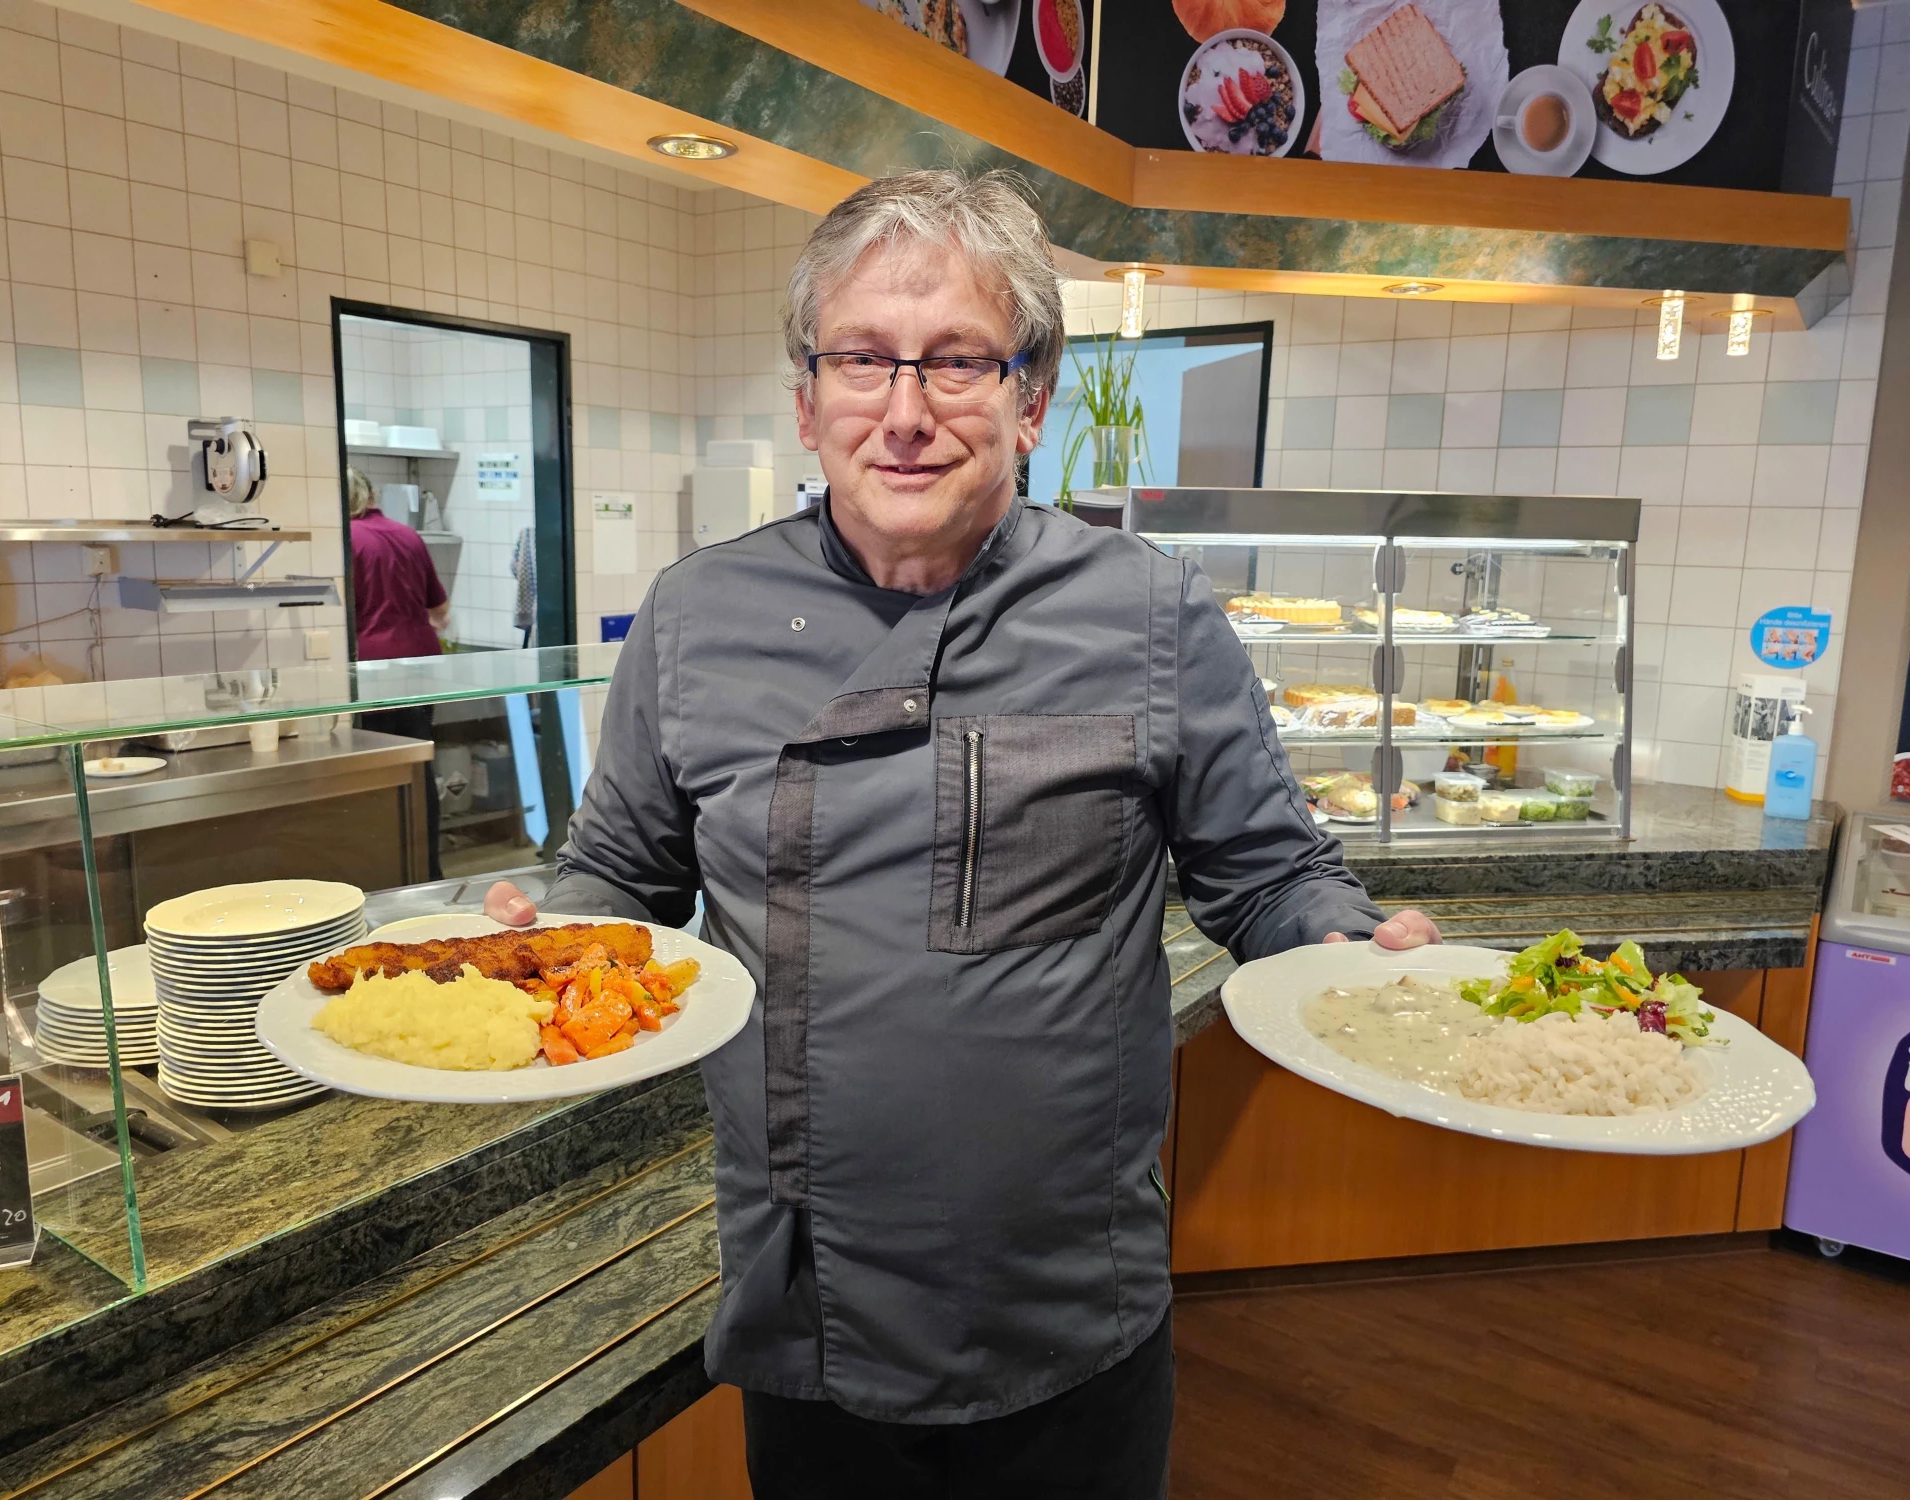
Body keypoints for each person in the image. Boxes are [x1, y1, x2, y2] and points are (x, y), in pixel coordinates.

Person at [483, 170, 1439, 1498]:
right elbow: (627, 881)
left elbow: (1269, 876)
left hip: (1068, 1317)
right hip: (805, 1307)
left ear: (1031, 397)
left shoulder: (1151, 615)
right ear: (808, 398)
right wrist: (548, 936)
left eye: (958, 362)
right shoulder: (698, 617)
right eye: (864, 360)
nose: (908, 412)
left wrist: (1353, 942)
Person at [347, 465, 449, 878]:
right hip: (420, 665)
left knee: (378, 777)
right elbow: (439, 612)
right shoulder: (408, 535)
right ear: (372, 495)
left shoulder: (347, 540)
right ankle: (427, 871)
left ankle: (388, 874)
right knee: (418, 768)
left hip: (371, 673)